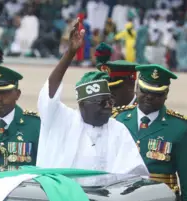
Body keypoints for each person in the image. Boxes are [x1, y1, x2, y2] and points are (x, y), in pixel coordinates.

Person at [36, 19, 148, 175]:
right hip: (61, 197)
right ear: (82, 104)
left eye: (109, 100)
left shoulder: (118, 130)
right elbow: (49, 94)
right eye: (101, 102)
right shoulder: (62, 120)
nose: (109, 106)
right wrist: (70, 54)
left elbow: (134, 173)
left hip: (104, 198)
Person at [113, 64, 187, 201]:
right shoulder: (118, 119)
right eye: (145, 90)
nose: (149, 97)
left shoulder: (180, 128)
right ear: (136, 88)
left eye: (157, 94)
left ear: (166, 94)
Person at [94, 42, 137, 108]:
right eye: (107, 89)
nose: (110, 93)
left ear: (131, 84)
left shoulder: (141, 111)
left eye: (114, 87)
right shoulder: (105, 111)